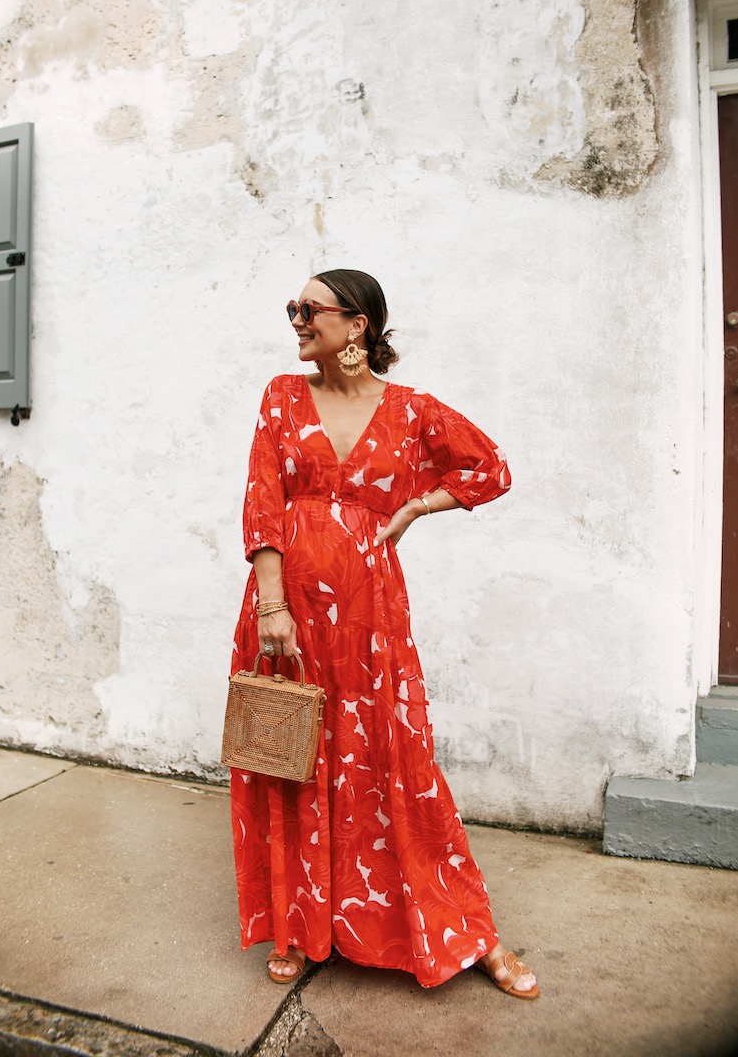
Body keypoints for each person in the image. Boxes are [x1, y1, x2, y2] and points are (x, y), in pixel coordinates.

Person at [229, 269, 538, 998]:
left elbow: (490, 468)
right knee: (293, 758)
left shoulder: (410, 411)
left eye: (309, 308)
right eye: (292, 308)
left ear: (357, 323)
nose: (297, 319)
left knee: (400, 766)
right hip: (288, 613)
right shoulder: (280, 396)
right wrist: (273, 610)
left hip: (371, 616)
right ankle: (299, 927)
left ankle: (467, 931)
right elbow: (262, 503)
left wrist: (417, 507)